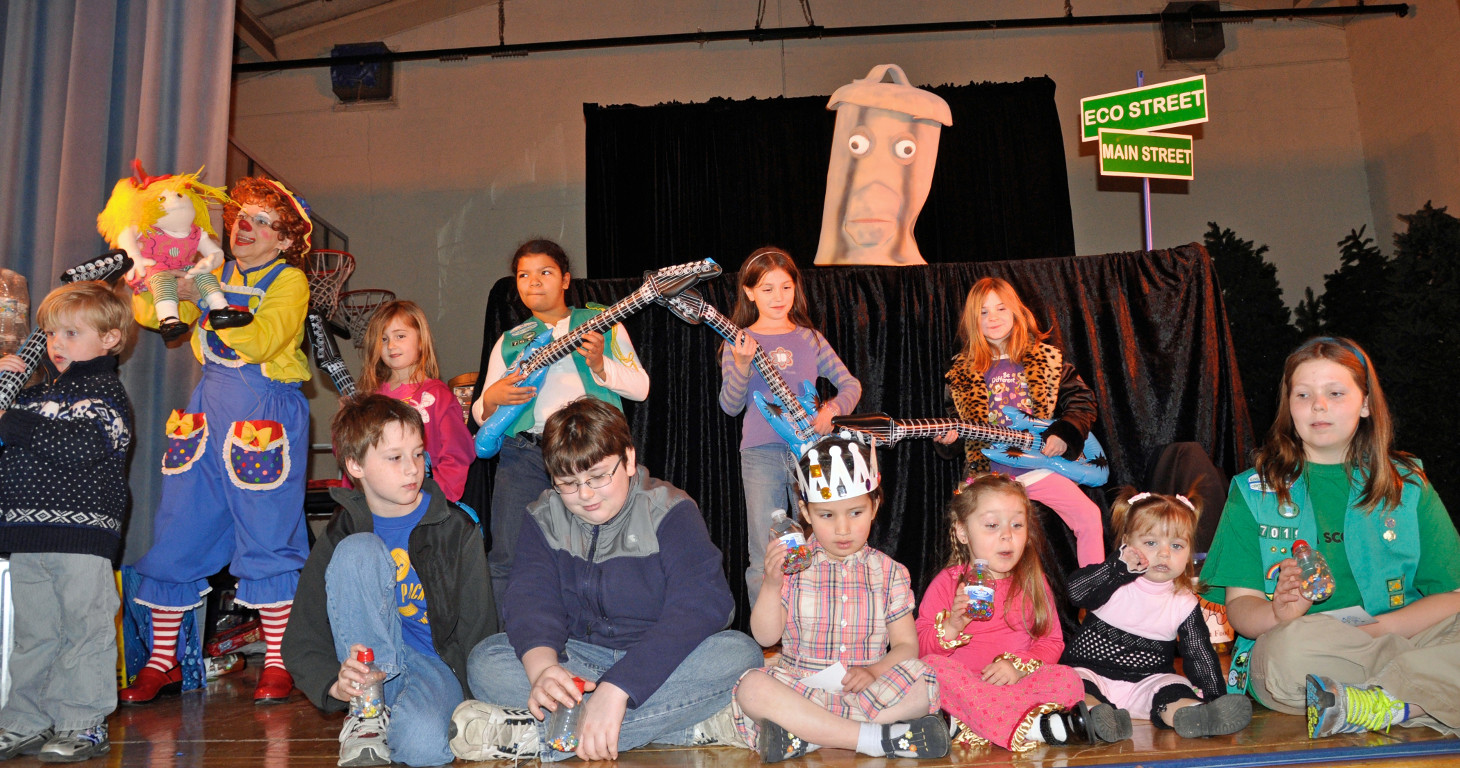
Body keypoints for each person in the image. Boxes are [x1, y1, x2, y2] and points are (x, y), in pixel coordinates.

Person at [450, 397, 761, 762]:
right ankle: (685, 728)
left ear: (628, 460)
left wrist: (619, 687)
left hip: (660, 663)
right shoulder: (542, 517)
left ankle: (550, 737)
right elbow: (529, 600)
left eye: (598, 477)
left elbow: (705, 604)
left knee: (739, 653)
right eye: (568, 483)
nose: (585, 494)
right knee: (486, 660)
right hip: (579, 661)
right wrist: (544, 671)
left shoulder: (671, 510)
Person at [1203, 337, 1460, 738]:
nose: (1318, 406)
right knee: (1284, 656)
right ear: (1289, 408)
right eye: (1303, 395)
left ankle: (1377, 706)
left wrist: (1377, 631)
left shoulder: (1408, 484)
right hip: (1309, 647)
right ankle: (1417, 693)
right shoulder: (1253, 490)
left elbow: (1452, 595)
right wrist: (1278, 613)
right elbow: (1241, 609)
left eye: (1335, 393)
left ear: (1365, 404)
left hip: (1401, 629)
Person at [121, 176, 314, 704]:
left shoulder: (290, 282)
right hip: (206, 413)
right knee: (178, 529)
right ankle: (163, 663)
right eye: (240, 218)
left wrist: (202, 292)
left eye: (262, 221)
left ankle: (277, 660)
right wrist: (153, 280)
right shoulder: (210, 266)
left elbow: (260, 339)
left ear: (285, 239)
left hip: (264, 411)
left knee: (268, 532)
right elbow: (164, 318)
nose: (245, 227)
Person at [281, 395, 497, 767]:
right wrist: (334, 683)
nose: (412, 469)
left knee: (423, 749)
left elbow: (481, 627)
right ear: (355, 465)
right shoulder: (342, 530)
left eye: (417, 454)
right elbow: (303, 631)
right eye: (395, 458)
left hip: (434, 665)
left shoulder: (455, 528)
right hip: (367, 667)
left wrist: (475, 701)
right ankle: (368, 713)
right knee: (359, 550)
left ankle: (397, 719)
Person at [732, 435, 948, 763]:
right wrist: (772, 584)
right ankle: (875, 738)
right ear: (804, 511)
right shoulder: (793, 567)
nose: (843, 528)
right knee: (752, 686)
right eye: (827, 516)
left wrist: (874, 671)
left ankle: (809, 736)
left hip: (866, 692)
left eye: (856, 512)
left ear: (875, 505)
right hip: (802, 689)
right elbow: (766, 637)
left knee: (925, 678)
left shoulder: (891, 573)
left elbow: (906, 646)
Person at [470, 238, 649, 610]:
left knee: (601, 548)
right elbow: (480, 413)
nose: (534, 281)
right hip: (524, 455)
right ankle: (506, 649)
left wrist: (601, 364)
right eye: (524, 275)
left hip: (591, 455)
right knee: (507, 556)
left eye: (545, 272)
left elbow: (641, 387)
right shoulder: (509, 340)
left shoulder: (603, 324)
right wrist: (493, 398)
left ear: (566, 279)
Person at [0, 281, 132, 762]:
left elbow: (77, 448)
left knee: (84, 630)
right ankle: (24, 721)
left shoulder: (104, 394)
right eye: (51, 334)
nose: (57, 344)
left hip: (81, 537)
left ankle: (83, 723)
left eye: (71, 333)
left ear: (110, 339)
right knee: (33, 635)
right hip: (26, 535)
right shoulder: (31, 397)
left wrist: (9, 421)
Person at [917, 473, 1123, 752]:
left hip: (1016, 689)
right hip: (966, 688)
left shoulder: (1032, 583)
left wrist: (1017, 666)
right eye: (992, 525)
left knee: (1069, 678)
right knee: (932, 671)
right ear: (962, 531)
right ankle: (1039, 727)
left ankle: (969, 725)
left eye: (1017, 524)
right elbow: (920, 647)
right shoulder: (948, 582)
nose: (1007, 535)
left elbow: (1051, 643)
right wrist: (952, 627)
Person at [719, 247, 861, 597]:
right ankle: (770, 645)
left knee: (820, 542)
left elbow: (851, 384)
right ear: (749, 292)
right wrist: (740, 364)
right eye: (767, 289)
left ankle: (810, 628)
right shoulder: (737, 341)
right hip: (760, 453)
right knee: (764, 549)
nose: (778, 297)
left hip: (810, 454)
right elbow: (730, 406)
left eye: (786, 287)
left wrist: (831, 410)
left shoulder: (809, 338)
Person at [936, 277, 1104, 567]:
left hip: (1039, 466)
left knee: (1089, 515)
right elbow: (957, 422)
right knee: (978, 540)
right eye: (983, 312)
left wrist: (1064, 432)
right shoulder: (961, 372)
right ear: (971, 320)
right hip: (990, 474)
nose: (993, 318)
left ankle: (1096, 594)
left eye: (1000, 309)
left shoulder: (1047, 360)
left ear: (1016, 312)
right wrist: (949, 440)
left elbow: (1082, 401)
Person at [1062, 490, 1251, 739]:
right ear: (1127, 543)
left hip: (1146, 684)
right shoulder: (1113, 580)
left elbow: (1199, 654)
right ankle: (1098, 716)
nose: (1164, 554)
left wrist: (1217, 698)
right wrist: (1116, 566)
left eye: (1176, 545)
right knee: (1071, 682)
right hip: (1092, 674)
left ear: (1189, 552)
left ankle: (1197, 714)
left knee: (1174, 686)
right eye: (1151, 543)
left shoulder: (1183, 602)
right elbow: (1075, 592)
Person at [97, 160, 249, 342]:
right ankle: (168, 319)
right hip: (154, 268)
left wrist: (210, 261)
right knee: (163, 281)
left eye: (179, 195)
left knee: (206, 276)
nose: (175, 202)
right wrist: (135, 256)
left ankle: (220, 309)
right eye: (162, 198)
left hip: (184, 267)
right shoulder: (149, 229)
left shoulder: (195, 233)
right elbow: (125, 235)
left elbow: (216, 253)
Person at [356, 300, 473, 502]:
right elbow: (354, 454)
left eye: (400, 336)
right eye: (383, 339)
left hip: (422, 500)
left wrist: (435, 500)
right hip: (378, 505)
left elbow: (457, 454)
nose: (391, 345)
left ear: (420, 340)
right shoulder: (370, 398)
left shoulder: (438, 396)